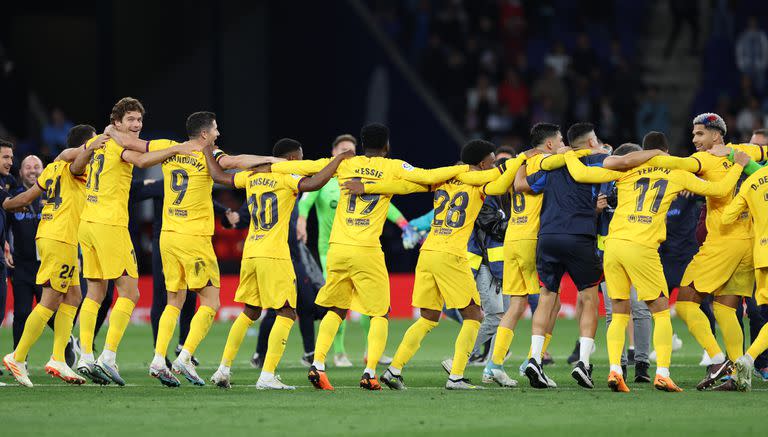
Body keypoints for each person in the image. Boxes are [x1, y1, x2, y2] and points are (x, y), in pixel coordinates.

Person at [268, 123, 468, 390]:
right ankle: (370, 371)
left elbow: (303, 168)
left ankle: (318, 364)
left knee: (336, 309)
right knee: (380, 314)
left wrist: (264, 165)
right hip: (367, 250)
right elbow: (429, 176)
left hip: (337, 248)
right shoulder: (393, 167)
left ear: (361, 145)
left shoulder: (345, 165)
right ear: (386, 146)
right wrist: (466, 168)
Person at [564, 131, 748, 392]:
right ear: (666, 151)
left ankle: (616, 370)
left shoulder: (626, 171)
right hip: (642, 247)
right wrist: (738, 164)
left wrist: (570, 154)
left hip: (613, 246)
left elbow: (582, 175)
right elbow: (719, 189)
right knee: (661, 311)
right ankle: (662, 372)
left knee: (617, 313)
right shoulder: (675, 173)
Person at [356, 139, 517, 390]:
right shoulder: (482, 182)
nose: (494, 163)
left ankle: (394, 370)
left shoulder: (443, 179)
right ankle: (457, 376)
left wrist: (367, 186)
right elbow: (504, 182)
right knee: (474, 315)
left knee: (428, 317)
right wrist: (522, 160)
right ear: (483, 163)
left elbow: (405, 185)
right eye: (493, 160)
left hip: (428, 250)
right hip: (451, 254)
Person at [518, 122, 661, 389]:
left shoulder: (554, 164)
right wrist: (658, 154)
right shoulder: (596, 160)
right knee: (589, 297)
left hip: (547, 237)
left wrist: (523, 158)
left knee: (547, 295)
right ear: (591, 142)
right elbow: (629, 159)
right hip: (579, 236)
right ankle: (583, 363)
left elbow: (520, 185)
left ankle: (535, 359)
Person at [74, 97, 202, 386]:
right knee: (130, 293)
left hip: (88, 222)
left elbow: (74, 167)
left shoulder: (100, 141)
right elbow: (143, 158)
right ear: (117, 122)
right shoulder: (119, 144)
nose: (137, 125)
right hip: (109, 225)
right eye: (131, 120)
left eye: (139, 120)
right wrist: (179, 148)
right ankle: (107, 356)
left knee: (94, 292)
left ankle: (85, 356)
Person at [207, 138, 352, 389]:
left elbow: (219, 176)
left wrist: (208, 150)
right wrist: (338, 160)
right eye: (301, 157)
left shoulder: (252, 176)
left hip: (251, 252)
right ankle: (267, 376)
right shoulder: (287, 178)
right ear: (293, 159)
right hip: (275, 254)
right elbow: (315, 181)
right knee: (286, 312)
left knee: (250, 311)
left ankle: (223, 369)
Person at [641, 113, 768, 390]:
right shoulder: (745, 151)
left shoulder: (705, 160)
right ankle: (738, 375)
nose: (694, 139)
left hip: (722, 241)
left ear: (715, 134)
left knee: (686, 303)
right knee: (725, 309)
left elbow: (672, 162)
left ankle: (717, 359)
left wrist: (636, 158)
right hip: (749, 243)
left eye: (699, 134)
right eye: (694, 134)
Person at [1, 125, 107, 387]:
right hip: (58, 237)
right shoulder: (76, 166)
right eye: (93, 143)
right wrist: (93, 145)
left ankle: (58, 358)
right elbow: (76, 158)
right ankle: (18, 356)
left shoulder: (54, 167)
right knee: (50, 298)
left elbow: (27, 196)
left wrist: (5, 204)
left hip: (64, 239)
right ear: (84, 146)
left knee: (73, 296)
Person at [295, 134, 412, 367]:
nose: (349, 154)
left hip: (362, 248)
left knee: (371, 306)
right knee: (340, 305)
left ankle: (371, 352)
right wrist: (301, 220)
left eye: (352, 150)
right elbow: (305, 201)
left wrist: (404, 224)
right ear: (334, 153)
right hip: (331, 250)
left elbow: (385, 202)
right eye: (343, 150)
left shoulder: (359, 176)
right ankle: (339, 353)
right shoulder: (327, 179)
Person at [483, 123, 581, 388]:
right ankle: (532, 360)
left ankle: (494, 365)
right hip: (532, 238)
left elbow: (498, 188)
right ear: (549, 144)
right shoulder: (549, 162)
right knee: (553, 301)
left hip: (512, 237)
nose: (562, 144)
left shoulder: (519, 161)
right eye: (560, 140)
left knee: (516, 304)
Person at [723, 151, 768, 390]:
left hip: (761, 255)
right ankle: (748, 359)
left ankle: (746, 359)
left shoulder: (751, 182)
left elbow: (728, 216)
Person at [0, 139, 18, 358]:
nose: (10, 161)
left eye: (11, 157)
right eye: (5, 157)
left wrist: (4, 241)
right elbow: (8, 204)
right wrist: (40, 189)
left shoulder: (8, 181)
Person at [736, 18, 768, 93]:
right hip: (746, 66)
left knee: (760, 83)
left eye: (754, 24)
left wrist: (763, 65)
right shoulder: (743, 36)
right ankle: (747, 95)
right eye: (751, 24)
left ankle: (760, 95)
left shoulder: (762, 36)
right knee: (746, 81)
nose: (752, 25)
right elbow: (739, 52)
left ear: (756, 25)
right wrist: (742, 65)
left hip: (759, 66)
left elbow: (765, 51)